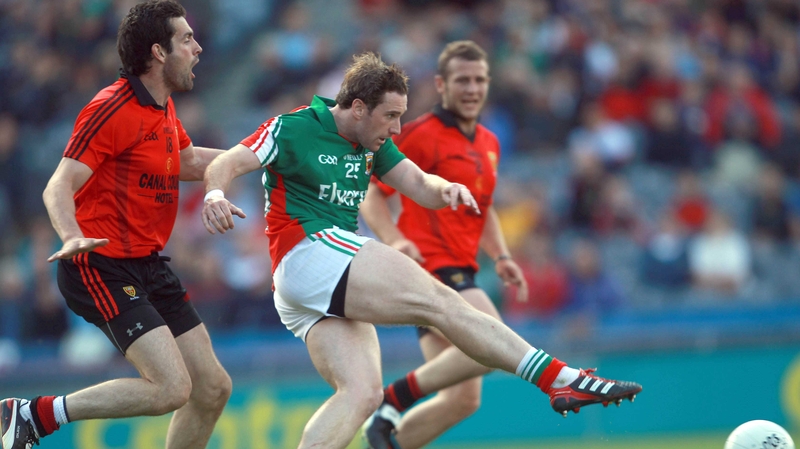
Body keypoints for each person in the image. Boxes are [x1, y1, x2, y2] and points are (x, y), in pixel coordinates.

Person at [200, 52, 642, 449]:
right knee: (438, 301)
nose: (396, 128)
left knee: (362, 394)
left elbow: (416, 183)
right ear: (357, 108)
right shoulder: (294, 126)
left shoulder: (373, 144)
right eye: (390, 116)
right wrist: (215, 195)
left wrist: (445, 187)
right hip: (310, 252)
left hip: (309, 282)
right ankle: (560, 379)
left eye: (401, 117)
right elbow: (227, 161)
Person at [1, 2, 233, 448]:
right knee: (172, 388)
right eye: (187, 39)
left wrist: (259, 157)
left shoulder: (162, 107)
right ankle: (35, 414)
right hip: (99, 262)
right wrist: (71, 235)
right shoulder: (111, 107)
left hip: (147, 264)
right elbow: (59, 184)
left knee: (212, 388)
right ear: (159, 52)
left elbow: (184, 161)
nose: (198, 47)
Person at [357, 40, 530, 449]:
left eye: (479, 80)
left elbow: (481, 208)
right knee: (493, 341)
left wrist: (501, 256)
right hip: (432, 265)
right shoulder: (420, 133)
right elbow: (371, 191)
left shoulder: (489, 141)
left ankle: (384, 441)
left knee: (462, 399)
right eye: (462, 80)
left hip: (464, 267)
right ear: (441, 84)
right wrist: (395, 239)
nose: (472, 88)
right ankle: (391, 401)